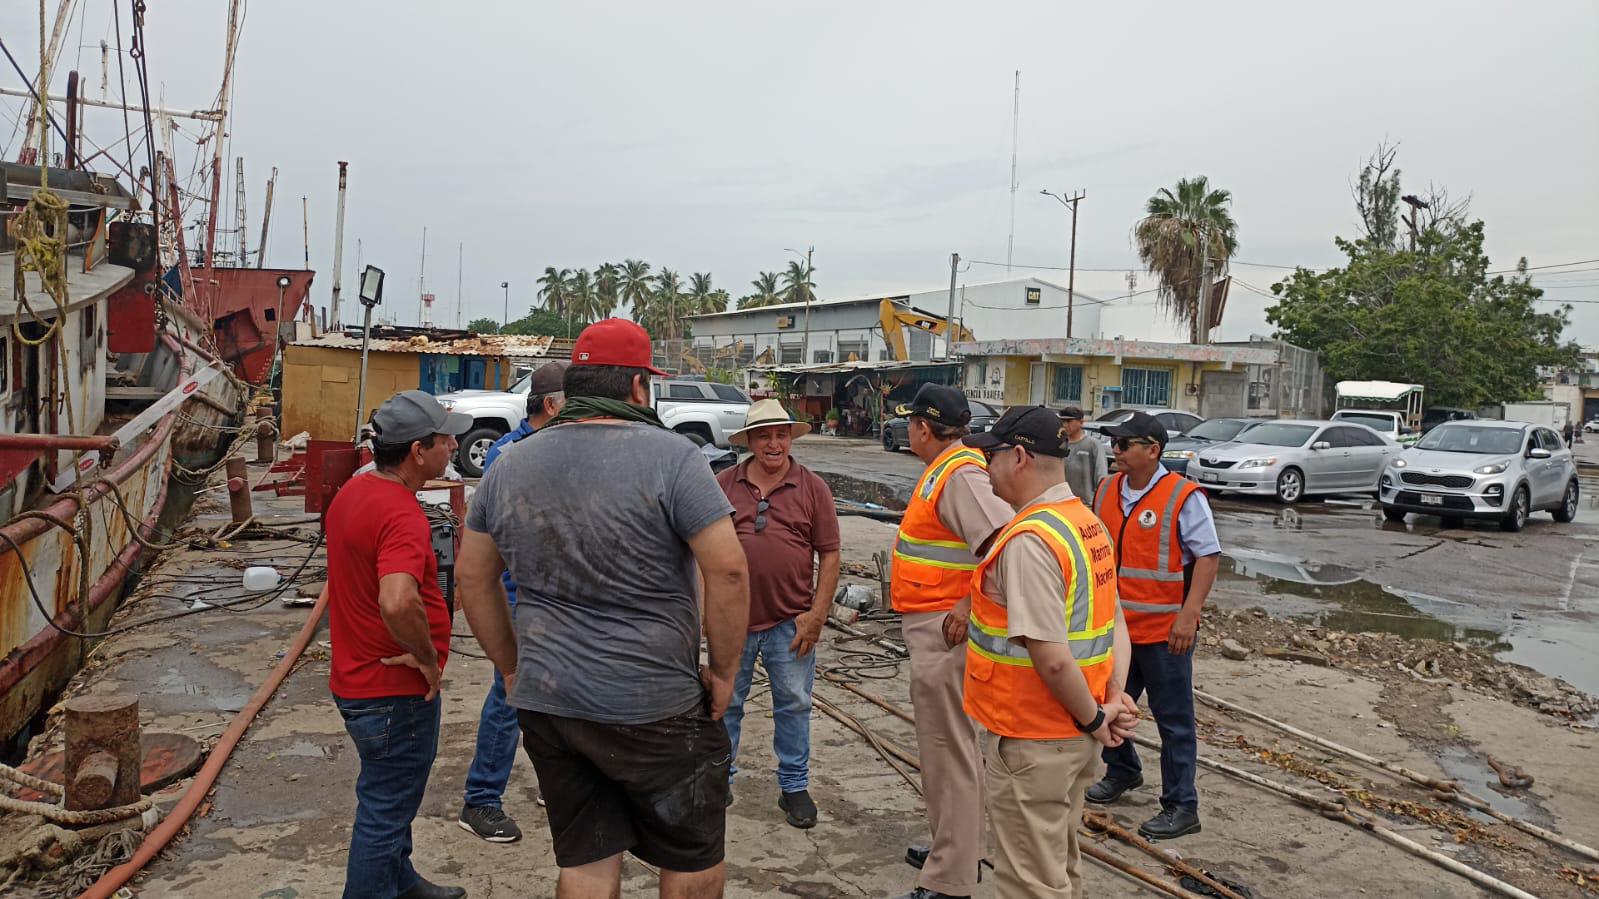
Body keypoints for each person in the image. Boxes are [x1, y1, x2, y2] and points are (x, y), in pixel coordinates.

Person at [455, 318, 750, 899]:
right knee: (691, 860)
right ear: (640, 388)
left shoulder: (511, 462)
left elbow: (472, 575)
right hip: (655, 703)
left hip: (553, 703)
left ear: (574, 385)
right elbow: (730, 569)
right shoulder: (675, 457)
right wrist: (724, 672)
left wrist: (514, 668)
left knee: (587, 861)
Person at [961, 406, 1139, 897]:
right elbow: (1115, 621)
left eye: (989, 456)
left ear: (1018, 457)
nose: (985, 467)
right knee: (1059, 865)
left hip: (1035, 738)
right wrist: (1112, 699)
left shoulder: (1031, 539)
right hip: (1073, 732)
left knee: (1030, 882)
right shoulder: (1086, 524)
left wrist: (1094, 719)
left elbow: (1052, 655)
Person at [325, 390, 471, 899]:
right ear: (417, 451)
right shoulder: (401, 514)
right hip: (392, 691)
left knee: (392, 800)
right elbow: (396, 599)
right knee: (385, 811)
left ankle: (400, 881)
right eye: (445, 439)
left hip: (357, 680)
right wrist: (427, 658)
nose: (454, 446)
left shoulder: (353, 493)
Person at [890, 383, 1016, 899]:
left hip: (945, 632)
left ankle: (950, 879)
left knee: (949, 752)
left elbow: (1006, 545)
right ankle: (959, 847)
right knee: (948, 752)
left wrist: (967, 606)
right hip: (933, 627)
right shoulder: (946, 468)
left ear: (923, 427)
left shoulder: (960, 474)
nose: (908, 431)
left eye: (910, 424)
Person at [1087, 411, 1221, 841]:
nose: (1116, 451)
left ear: (1153, 450)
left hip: (1165, 634)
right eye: (1114, 443)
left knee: (1174, 721)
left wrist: (1189, 614)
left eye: (1125, 445)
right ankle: (1123, 770)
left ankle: (1182, 805)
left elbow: (1207, 556)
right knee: (1110, 705)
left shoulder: (1183, 496)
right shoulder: (1107, 489)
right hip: (1118, 630)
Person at [716, 399, 841, 829]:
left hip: (791, 621)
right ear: (750, 441)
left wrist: (817, 614)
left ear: (790, 438)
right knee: (725, 703)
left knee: (793, 703)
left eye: (781, 434)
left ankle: (793, 788)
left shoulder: (813, 488)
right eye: (765, 435)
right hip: (731, 621)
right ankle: (719, 781)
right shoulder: (723, 484)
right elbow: (700, 549)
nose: (774, 443)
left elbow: (829, 553)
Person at [457, 361, 567, 843]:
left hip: (555, 598)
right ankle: (481, 799)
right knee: (510, 697)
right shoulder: (511, 455)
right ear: (551, 404)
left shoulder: (553, 450)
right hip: (523, 598)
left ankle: (556, 781)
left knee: (556, 699)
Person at [1058, 406, 1108, 502]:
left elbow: (1102, 477)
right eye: (1063, 421)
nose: (1065, 425)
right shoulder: (1060, 444)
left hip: (1086, 505)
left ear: (1081, 422)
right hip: (1062, 504)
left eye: (1069, 422)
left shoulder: (1093, 444)